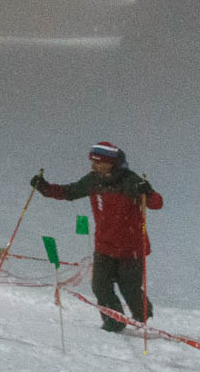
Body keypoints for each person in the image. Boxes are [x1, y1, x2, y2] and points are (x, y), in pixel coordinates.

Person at [32, 141, 164, 332]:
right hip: (104, 245)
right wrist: (44, 188)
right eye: (92, 162)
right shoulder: (93, 180)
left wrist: (148, 192)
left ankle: (143, 316)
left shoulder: (131, 181)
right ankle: (114, 322)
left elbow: (156, 203)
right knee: (100, 287)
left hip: (131, 248)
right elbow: (69, 192)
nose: (94, 166)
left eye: (99, 162)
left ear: (111, 163)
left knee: (130, 289)